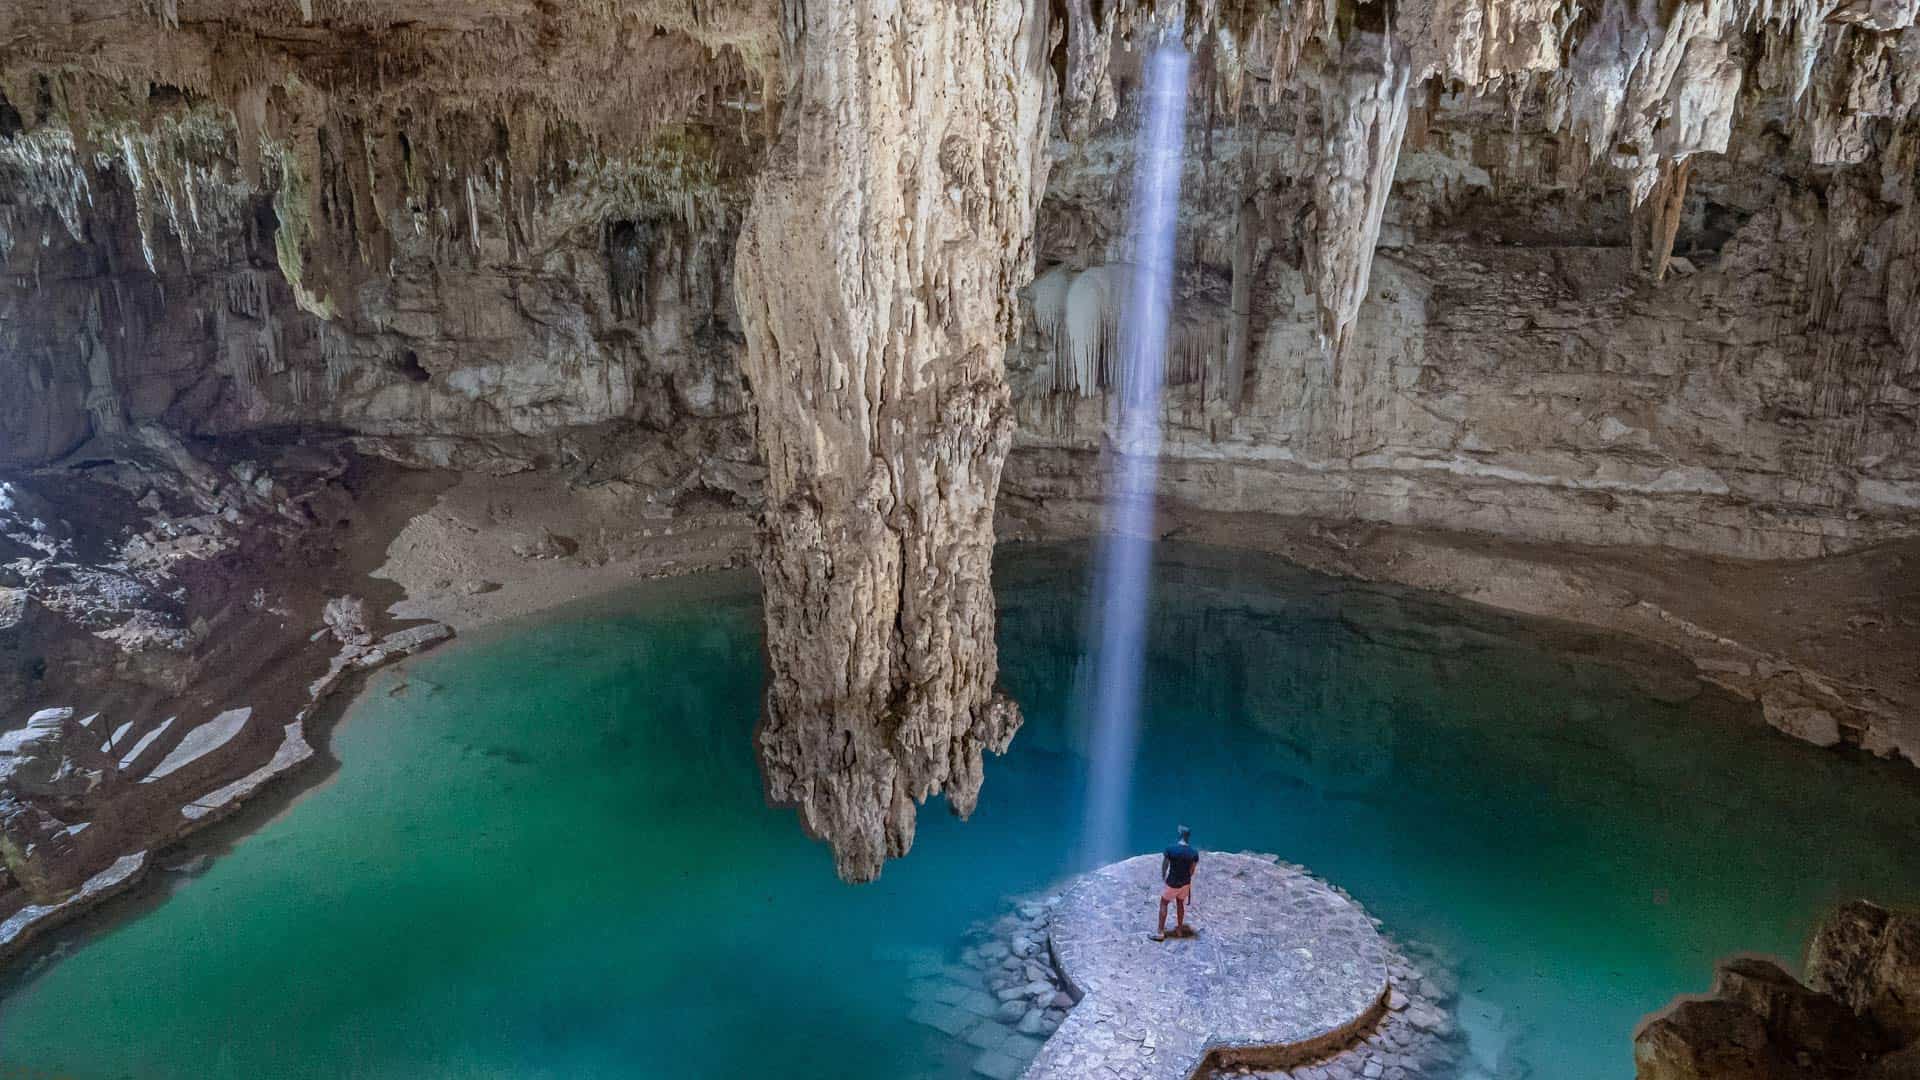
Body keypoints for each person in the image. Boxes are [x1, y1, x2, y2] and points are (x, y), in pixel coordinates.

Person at [1155, 825, 1200, 941]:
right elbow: (1192, 871)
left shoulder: (1171, 849)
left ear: (1180, 834)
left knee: (1164, 903)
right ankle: (1179, 929)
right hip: (1185, 883)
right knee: (1180, 904)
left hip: (1172, 882)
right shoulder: (1193, 853)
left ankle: (1160, 932)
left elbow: (1165, 865)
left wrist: (1163, 875)